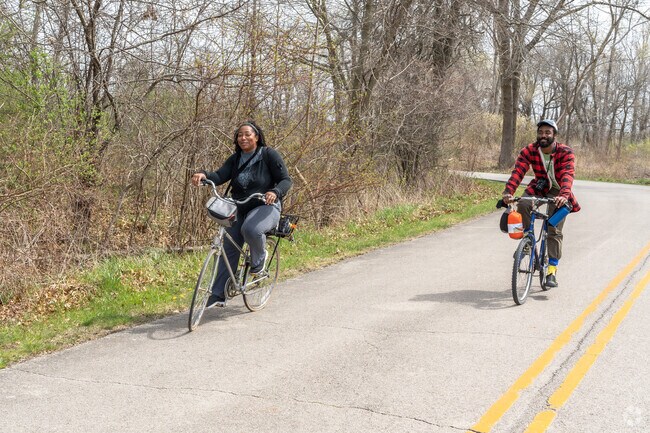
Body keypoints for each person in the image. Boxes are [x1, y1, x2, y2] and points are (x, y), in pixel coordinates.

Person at [191, 120, 292, 307]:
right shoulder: (236, 159)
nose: (243, 138)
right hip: (239, 206)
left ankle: (259, 259)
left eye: (247, 134)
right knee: (229, 245)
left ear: (257, 137)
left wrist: (275, 192)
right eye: (239, 135)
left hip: (266, 206)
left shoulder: (268, 155)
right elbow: (219, 176)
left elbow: (285, 180)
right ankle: (219, 293)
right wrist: (203, 174)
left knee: (251, 229)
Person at [502, 119, 580, 288]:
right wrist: (508, 192)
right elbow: (518, 172)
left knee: (554, 229)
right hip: (540, 186)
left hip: (559, 192)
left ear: (554, 135)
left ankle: (552, 270)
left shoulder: (566, 152)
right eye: (541, 132)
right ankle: (527, 242)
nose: (543, 135)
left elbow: (568, 175)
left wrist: (564, 195)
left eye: (547, 132)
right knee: (522, 204)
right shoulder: (529, 150)